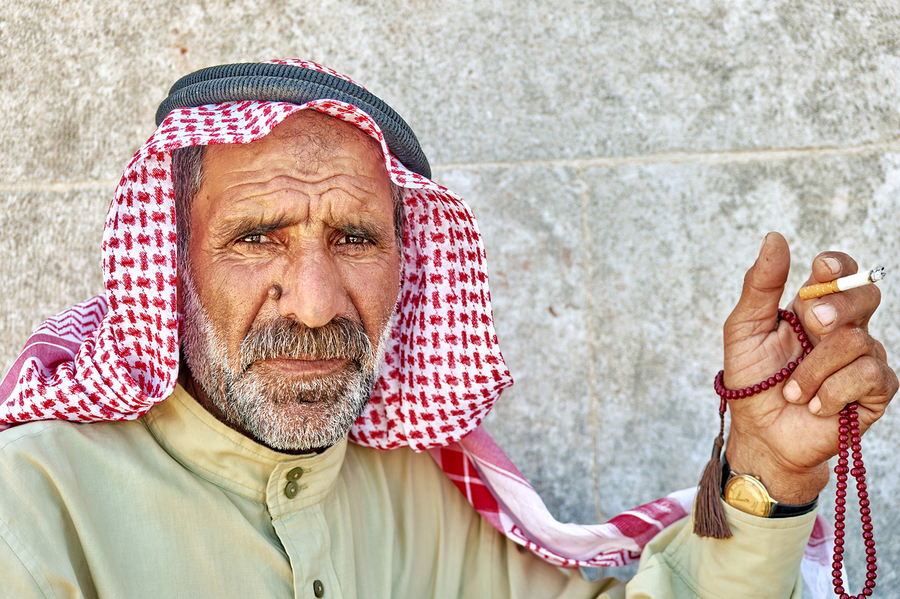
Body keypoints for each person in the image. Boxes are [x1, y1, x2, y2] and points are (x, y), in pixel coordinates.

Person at [0, 60, 894, 598]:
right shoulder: (35, 503)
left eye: (356, 239)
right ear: (171, 260)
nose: (314, 303)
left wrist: (768, 471)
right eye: (256, 237)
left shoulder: (416, 491)